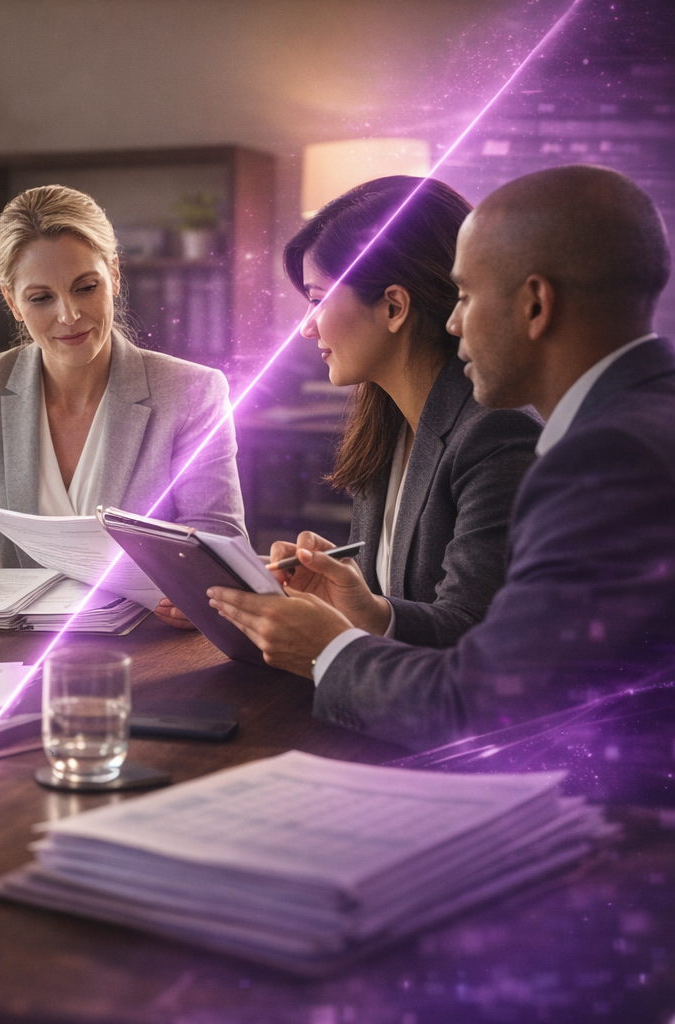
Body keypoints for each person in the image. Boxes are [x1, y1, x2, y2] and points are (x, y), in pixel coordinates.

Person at [208, 165, 675, 751]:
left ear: (535, 304)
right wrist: (368, 614)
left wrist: (328, 649)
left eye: (467, 296)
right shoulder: (637, 421)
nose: (453, 320)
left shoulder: (605, 458)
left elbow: (482, 700)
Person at [0, 185, 245, 626]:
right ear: (12, 301)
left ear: (114, 275)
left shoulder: (192, 392)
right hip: (0, 652)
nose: (69, 316)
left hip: (143, 641)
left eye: (85, 287)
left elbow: (220, 542)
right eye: (41, 298)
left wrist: (200, 590)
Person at [269, 177, 540, 648]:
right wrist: (336, 592)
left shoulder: (497, 436)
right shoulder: (388, 422)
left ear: (393, 306)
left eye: (316, 300)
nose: (306, 329)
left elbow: (475, 633)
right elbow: (390, 600)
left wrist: (370, 613)